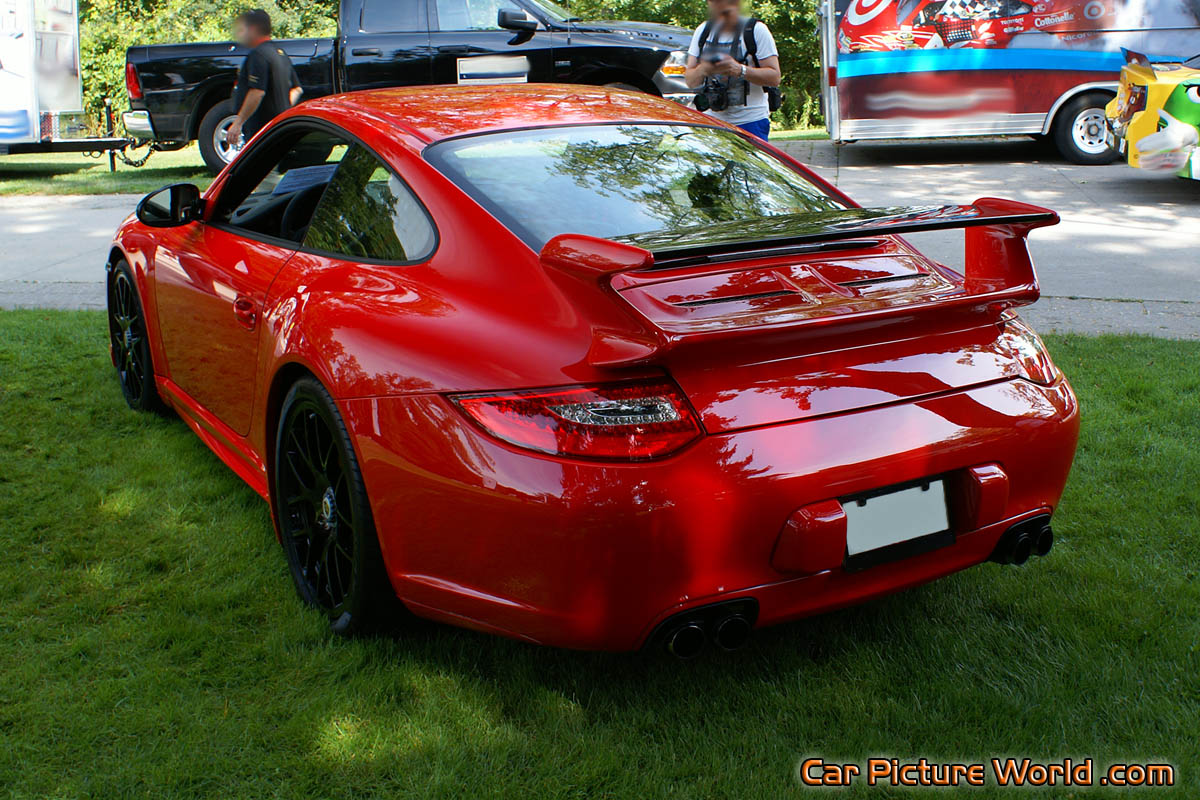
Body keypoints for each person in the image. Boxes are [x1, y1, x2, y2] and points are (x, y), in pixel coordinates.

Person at [683, 0, 782, 140]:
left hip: (751, 122)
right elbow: (690, 80)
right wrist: (704, 69)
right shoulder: (703, 31)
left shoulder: (756, 30)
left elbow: (775, 77)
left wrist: (740, 70)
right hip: (712, 122)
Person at [226, 9, 302, 149]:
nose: (240, 34)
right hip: (277, 129)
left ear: (253, 29)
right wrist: (282, 111)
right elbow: (297, 89)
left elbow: (257, 92)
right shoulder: (280, 53)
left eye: (242, 30)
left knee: (261, 170)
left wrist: (238, 123)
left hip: (261, 132)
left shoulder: (258, 55)